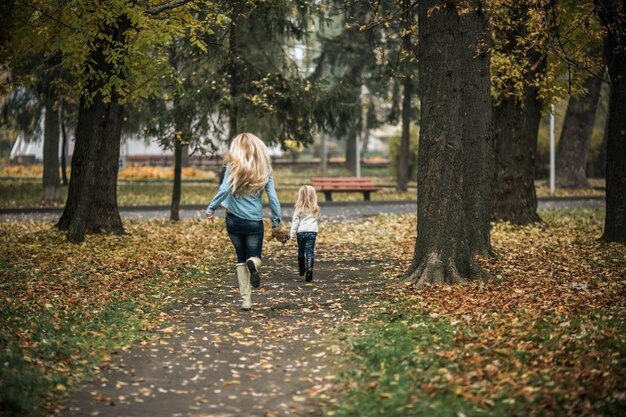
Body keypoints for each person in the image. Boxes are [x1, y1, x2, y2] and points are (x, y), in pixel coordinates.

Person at [206, 133, 283, 310]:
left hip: (233, 220)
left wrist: (211, 208)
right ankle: (254, 264)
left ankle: (246, 301)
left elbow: (225, 188)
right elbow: (273, 198)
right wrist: (276, 221)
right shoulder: (264, 169)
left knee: (240, 257)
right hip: (254, 222)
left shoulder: (232, 166)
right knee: (254, 256)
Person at [289, 185, 320, 282]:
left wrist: (292, 234)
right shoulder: (315, 208)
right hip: (312, 232)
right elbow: (315, 219)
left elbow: (295, 221)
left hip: (301, 232)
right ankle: (309, 270)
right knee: (310, 251)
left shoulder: (299, 208)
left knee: (301, 250)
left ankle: (302, 269)